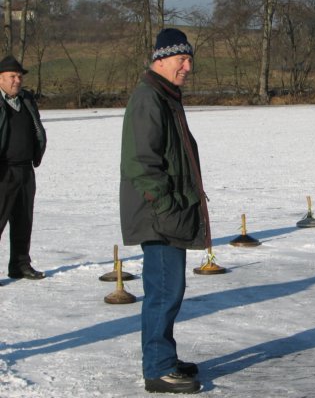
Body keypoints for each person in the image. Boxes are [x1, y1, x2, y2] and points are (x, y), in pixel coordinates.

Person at [120, 29, 208, 394]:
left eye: (190, 60)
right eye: (181, 60)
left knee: (170, 289)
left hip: (166, 211)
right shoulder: (149, 98)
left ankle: (164, 357)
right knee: (164, 291)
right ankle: (157, 368)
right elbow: (142, 163)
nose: (187, 67)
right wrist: (167, 204)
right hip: (158, 214)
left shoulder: (165, 95)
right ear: (160, 59)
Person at [0, 55, 47, 282]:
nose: (17, 80)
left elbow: (37, 128)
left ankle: (20, 265)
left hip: (26, 170)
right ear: (0, 79)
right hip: (3, 172)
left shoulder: (26, 100)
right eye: (12, 76)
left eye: (19, 76)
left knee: (23, 220)